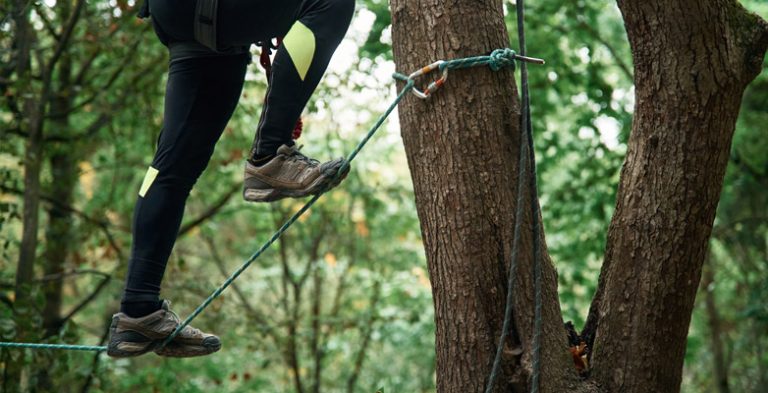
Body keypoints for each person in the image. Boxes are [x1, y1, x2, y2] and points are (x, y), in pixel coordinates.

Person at [107, 0, 354, 358]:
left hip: (181, 20)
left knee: (169, 170)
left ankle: (137, 313)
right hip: (211, 11)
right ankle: (271, 155)